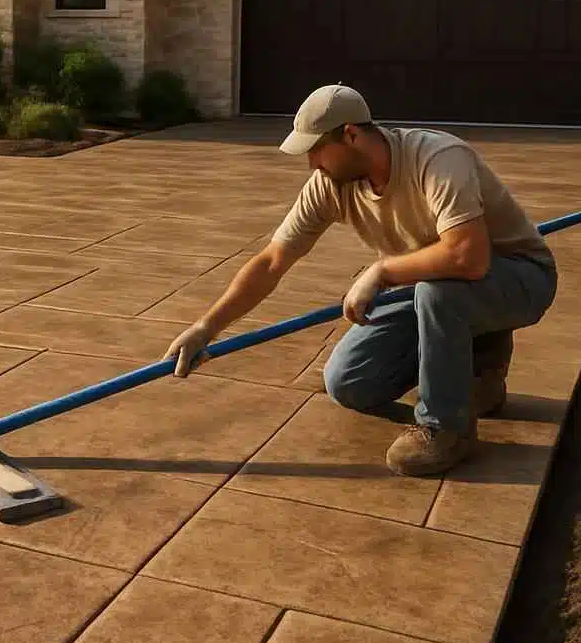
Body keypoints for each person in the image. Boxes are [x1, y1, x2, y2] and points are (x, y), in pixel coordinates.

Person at [162, 83, 559, 476]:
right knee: (350, 383)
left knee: (440, 295)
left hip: (517, 276)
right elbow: (271, 262)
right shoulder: (330, 185)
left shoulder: (437, 157)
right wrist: (206, 328)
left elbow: (467, 258)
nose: (312, 163)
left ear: (351, 134)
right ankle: (476, 375)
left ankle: (445, 427)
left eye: (316, 150)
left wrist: (381, 271)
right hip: (431, 286)